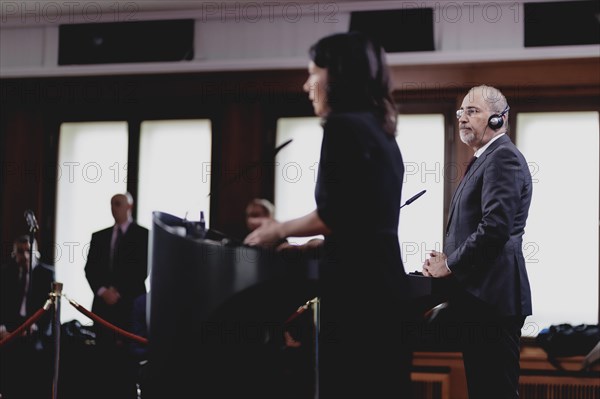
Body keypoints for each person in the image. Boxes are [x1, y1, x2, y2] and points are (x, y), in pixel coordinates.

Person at [245, 32, 412, 398]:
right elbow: (363, 220)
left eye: (313, 73)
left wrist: (277, 229)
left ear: (336, 76)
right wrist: (318, 245)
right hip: (388, 288)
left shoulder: (342, 127)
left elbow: (334, 214)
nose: (307, 85)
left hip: (356, 295)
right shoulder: (383, 132)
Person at [422, 85, 532, 399]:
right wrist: (445, 260)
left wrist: (450, 264)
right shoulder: (485, 158)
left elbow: (494, 229)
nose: (463, 119)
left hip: (493, 300)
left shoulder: (503, 157)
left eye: (473, 112)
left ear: (500, 119)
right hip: (478, 300)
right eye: (461, 113)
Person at [84, 192, 149, 398]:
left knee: (125, 362)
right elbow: (90, 269)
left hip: (129, 305)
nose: (115, 208)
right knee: (103, 359)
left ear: (129, 206)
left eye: (119, 204)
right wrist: (103, 291)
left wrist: (118, 292)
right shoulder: (100, 236)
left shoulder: (143, 235)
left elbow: (142, 269)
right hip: (103, 307)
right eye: (112, 204)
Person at [0, 235, 55, 398]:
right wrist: (2, 328)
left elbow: (49, 311)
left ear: (35, 253)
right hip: (10, 326)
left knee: (34, 354)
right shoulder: (5, 273)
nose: (24, 256)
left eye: (28, 252)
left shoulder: (46, 274)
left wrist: (34, 327)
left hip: (35, 328)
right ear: (14, 254)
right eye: (20, 252)